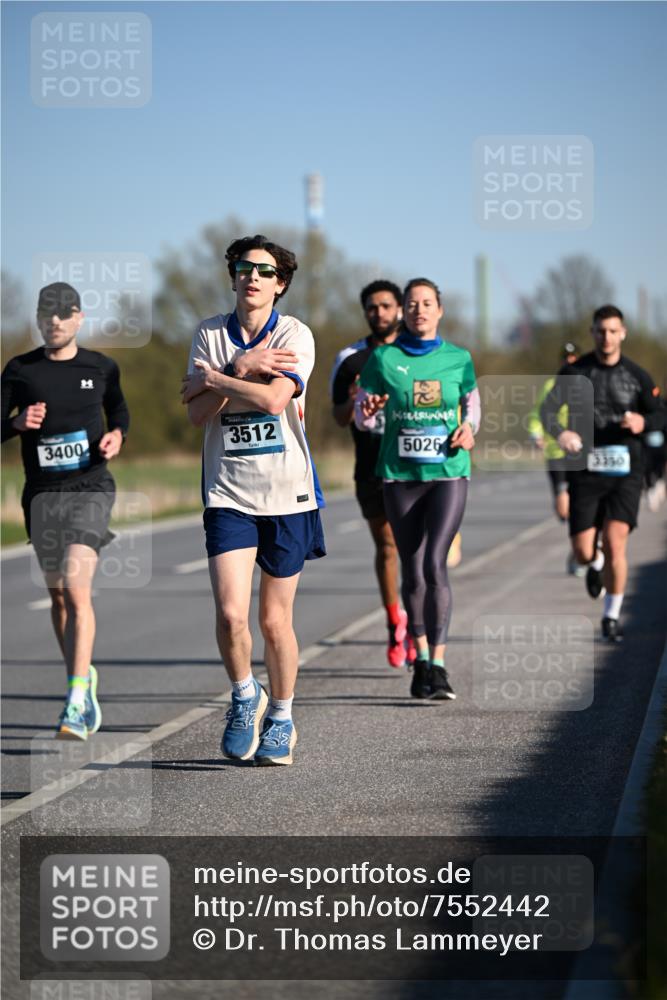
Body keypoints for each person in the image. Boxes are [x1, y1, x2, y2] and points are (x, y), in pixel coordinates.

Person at [181, 234, 325, 766]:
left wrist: (214, 380)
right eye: (244, 268)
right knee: (228, 615)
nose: (253, 277)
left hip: (287, 492)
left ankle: (282, 717)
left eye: (264, 271)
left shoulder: (295, 334)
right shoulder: (208, 334)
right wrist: (241, 367)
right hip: (228, 493)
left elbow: (271, 401)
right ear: (232, 276)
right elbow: (197, 417)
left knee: (273, 622)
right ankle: (245, 696)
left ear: (280, 283)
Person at [1, 282, 129, 739]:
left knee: (76, 589)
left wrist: (117, 436)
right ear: (38, 320)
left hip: (90, 488)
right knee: (58, 597)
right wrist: (14, 424)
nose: (54, 320)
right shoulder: (20, 370)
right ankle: (83, 677)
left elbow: (120, 412)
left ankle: (75, 699)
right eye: (46, 313)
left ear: (78, 317)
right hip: (42, 495)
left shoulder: (101, 366)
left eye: (63, 313)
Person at [355, 278, 480, 700]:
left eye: (427, 303)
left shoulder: (459, 358)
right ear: (403, 312)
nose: (419, 310)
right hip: (400, 475)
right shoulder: (383, 358)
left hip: (448, 471)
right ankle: (421, 658)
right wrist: (368, 412)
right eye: (412, 304)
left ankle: (440, 666)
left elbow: (472, 406)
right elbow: (364, 417)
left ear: (439, 310)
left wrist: (469, 428)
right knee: (411, 567)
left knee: (434, 564)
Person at [540, 304, 663, 643]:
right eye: (600, 330)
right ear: (592, 333)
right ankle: (594, 566)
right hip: (586, 471)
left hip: (626, 470)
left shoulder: (638, 376)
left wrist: (642, 422)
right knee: (583, 551)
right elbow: (547, 410)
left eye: (612, 330)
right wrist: (562, 433)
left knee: (614, 541)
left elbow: (660, 414)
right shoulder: (574, 373)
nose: (606, 337)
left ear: (622, 333)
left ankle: (611, 616)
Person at [330, 280, 417, 667]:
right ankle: (395, 620)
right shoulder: (350, 359)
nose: (378, 313)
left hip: (415, 465)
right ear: (365, 312)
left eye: (385, 306)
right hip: (370, 468)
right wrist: (350, 402)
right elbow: (337, 417)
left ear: (399, 309)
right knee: (387, 546)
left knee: (417, 550)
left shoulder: (418, 352)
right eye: (371, 307)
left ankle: (419, 622)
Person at [527, 342, 584, 575]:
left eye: (574, 358)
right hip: (557, 453)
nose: (570, 361)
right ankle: (578, 545)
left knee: (582, 505)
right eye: (566, 358)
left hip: (581, 453)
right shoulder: (553, 384)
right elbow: (538, 412)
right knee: (564, 509)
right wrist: (537, 433)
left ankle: (579, 551)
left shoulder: (587, 383)